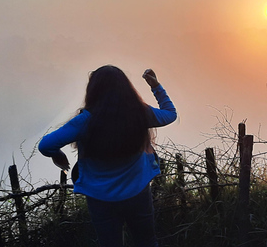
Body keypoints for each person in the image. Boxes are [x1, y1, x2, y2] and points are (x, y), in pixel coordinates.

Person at [38, 65, 177, 247]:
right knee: (147, 242)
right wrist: (156, 86)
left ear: (93, 91)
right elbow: (170, 114)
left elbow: (45, 145)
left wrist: (57, 155)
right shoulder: (139, 113)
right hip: (137, 191)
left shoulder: (85, 121)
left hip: (100, 198)